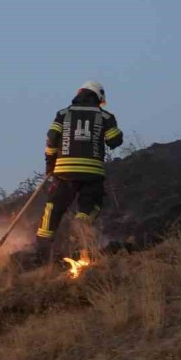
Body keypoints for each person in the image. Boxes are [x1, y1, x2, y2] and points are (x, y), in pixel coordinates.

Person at [35, 81, 124, 264]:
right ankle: (80, 236)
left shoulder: (63, 114)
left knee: (53, 208)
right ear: (98, 97)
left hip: (64, 171)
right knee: (91, 206)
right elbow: (114, 141)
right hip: (92, 173)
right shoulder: (105, 115)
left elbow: (51, 139)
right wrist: (115, 132)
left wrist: (50, 166)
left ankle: (42, 252)